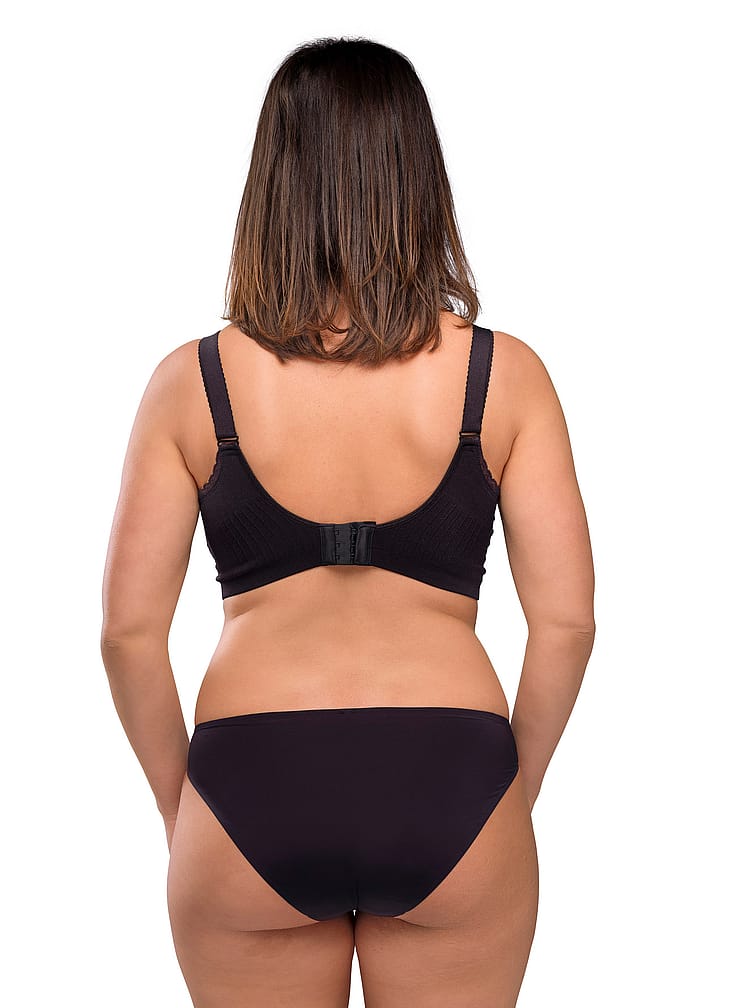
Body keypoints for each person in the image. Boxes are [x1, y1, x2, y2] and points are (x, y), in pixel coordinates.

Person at [100, 35, 595, 1008]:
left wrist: (184, 809)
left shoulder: (192, 385)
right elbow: (568, 623)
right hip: (452, 779)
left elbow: (126, 634)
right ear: (417, 178)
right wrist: (507, 795)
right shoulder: (503, 377)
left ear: (272, 183)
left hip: (250, 784)